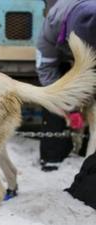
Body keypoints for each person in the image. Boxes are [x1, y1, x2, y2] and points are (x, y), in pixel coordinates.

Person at [36, 0, 96, 171]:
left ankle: (88, 152)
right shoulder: (53, 27)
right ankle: (52, 156)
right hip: (63, 54)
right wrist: (69, 106)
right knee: (53, 95)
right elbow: (46, 70)